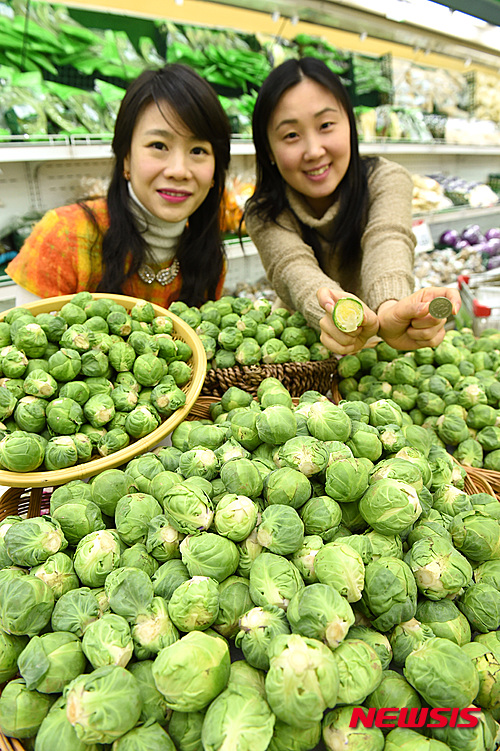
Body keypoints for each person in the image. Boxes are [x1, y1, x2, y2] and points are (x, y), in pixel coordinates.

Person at [244, 57, 461, 355]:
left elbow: (387, 239)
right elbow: (293, 268)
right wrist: (336, 312)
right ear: (268, 148)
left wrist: (390, 308)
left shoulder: (386, 179)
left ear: (350, 125)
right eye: (291, 135)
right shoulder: (263, 211)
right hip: (297, 349)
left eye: (326, 125)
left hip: (380, 343)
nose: (314, 151)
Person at [7, 63, 231, 309]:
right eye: (158, 145)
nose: (179, 171)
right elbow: (25, 330)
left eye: (198, 150)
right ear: (126, 156)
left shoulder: (208, 257)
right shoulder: (63, 238)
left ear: (215, 170)